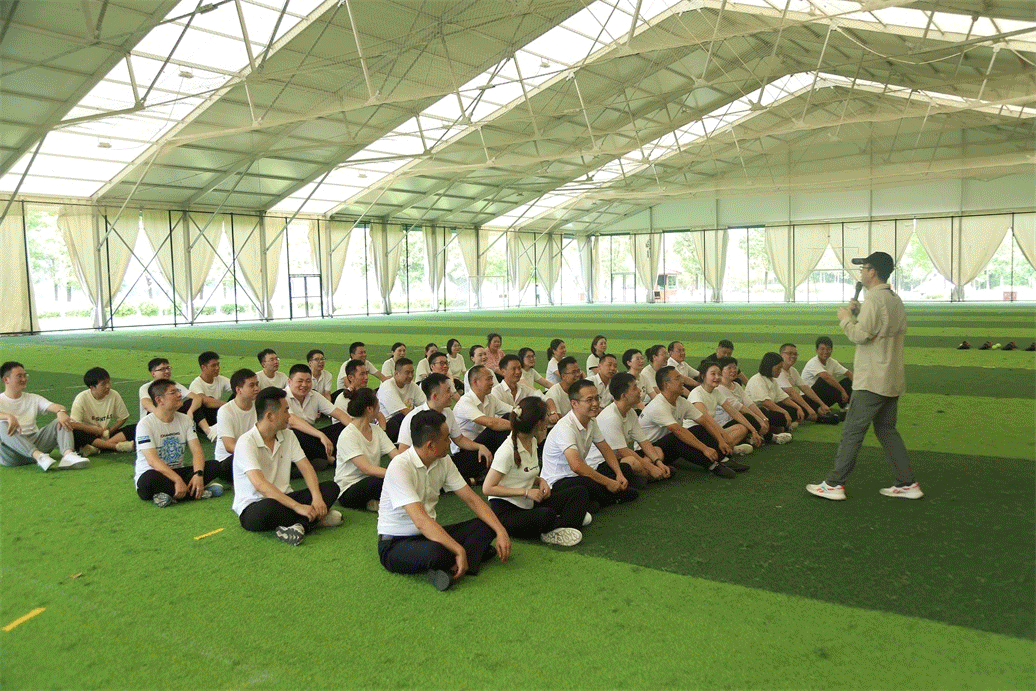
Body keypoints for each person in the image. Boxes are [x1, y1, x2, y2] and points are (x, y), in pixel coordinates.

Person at [808, 251, 922, 501]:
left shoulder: (874, 299)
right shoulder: (894, 299)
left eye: (863, 268)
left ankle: (834, 484)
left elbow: (860, 335)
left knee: (852, 432)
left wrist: (846, 320)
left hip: (872, 380)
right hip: (891, 378)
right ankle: (907, 483)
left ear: (872, 272)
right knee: (887, 430)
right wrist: (860, 313)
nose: (861, 272)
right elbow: (880, 328)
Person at [377, 409, 511, 591]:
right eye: (447, 438)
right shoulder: (400, 466)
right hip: (396, 543)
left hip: (429, 535)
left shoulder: (444, 461)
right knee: (436, 552)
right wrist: (459, 549)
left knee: (488, 524)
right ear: (430, 445)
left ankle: (451, 566)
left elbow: (472, 499)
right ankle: (465, 557)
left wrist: (501, 531)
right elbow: (420, 521)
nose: (450, 442)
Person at [232, 387, 343, 545]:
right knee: (268, 508)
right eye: (285, 411)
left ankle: (300, 525)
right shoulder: (246, 442)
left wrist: (317, 497)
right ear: (270, 416)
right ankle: (312, 519)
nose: (289, 416)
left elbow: (306, 467)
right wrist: (297, 507)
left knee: (331, 488)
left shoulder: (288, 435)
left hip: (285, 498)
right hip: (256, 506)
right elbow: (260, 485)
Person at [482, 397, 588, 547]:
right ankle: (561, 525)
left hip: (528, 503)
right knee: (546, 515)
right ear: (538, 423)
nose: (548, 418)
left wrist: (540, 481)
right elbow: (487, 488)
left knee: (579, 492)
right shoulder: (506, 451)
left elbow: (523, 472)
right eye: (546, 415)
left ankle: (561, 525)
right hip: (507, 512)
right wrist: (526, 492)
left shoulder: (532, 440)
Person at [540, 378, 639, 509]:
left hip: (579, 476)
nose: (595, 403)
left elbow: (606, 449)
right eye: (589, 400)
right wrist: (608, 482)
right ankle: (608, 497)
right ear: (574, 403)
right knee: (586, 484)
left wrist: (619, 473)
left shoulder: (591, 421)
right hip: (558, 482)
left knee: (624, 468)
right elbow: (576, 466)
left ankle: (597, 500)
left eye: (597, 398)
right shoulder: (565, 427)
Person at [133, 379, 224, 506]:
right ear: (159, 400)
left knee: (215, 466)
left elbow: (197, 451)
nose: (179, 395)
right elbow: (152, 461)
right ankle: (198, 493)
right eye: (173, 392)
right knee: (147, 479)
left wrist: (198, 474)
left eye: (178, 391)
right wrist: (177, 480)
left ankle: (169, 495)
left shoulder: (186, 420)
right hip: (156, 474)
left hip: (177, 471)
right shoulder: (145, 424)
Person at [639, 366, 737, 478]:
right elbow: (677, 430)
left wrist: (721, 440)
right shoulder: (658, 405)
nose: (683, 381)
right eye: (678, 378)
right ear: (667, 385)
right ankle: (712, 465)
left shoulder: (681, 401)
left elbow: (704, 421)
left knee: (698, 428)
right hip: (649, 452)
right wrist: (705, 449)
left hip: (667, 447)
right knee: (678, 436)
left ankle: (723, 459)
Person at [396, 373, 492, 486]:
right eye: (448, 391)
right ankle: (470, 480)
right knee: (431, 478)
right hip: (421, 467)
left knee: (479, 456)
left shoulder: (448, 413)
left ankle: (449, 480)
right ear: (435, 396)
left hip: (443, 461)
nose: (452, 394)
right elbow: (403, 451)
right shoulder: (413, 417)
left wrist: (479, 446)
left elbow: (459, 439)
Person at [0, 361, 89, 470]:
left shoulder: (33, 398)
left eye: (25, 375)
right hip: (12, 455)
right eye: (19, 376)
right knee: (2, 425)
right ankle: (39, 456)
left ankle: (68, 455)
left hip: (37, 444)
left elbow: (56, 406)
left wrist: (61, 412)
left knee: (61, 420)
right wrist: (8, 416)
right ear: (6, 379)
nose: (24, 379)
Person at [589, 372, 670, 483]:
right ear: (624, 396)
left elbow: (644, 441)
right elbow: (623, 452)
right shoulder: (611, 417)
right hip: (601, 464)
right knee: (632, 461)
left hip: (620, 458)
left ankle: (645, 475)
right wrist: (651, 467)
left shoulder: (630, 412)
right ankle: (649, 476)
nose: (639, 391)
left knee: (657, 451)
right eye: (635, 388)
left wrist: (658, 462)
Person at [335, 388, 398, 513]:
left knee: (392, 479)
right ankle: (381, 501)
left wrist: (409, 467)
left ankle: (376, 502)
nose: (379, 408)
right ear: (369, 409)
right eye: (377, 404)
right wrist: (396, 474)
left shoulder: (376, 430)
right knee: (380, 481)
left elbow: (396, 455)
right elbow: (366, 469)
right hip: (349, 490)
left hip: (371, 480)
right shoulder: (348, 435)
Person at [284, 364, 348, 471]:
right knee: (294, 433)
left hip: (312, 438)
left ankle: (321, 456)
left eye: (308, 381)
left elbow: (339, 414)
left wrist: (358, 430)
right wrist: (320, 435)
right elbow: (292, 421)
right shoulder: (282, 397)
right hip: (292, 441)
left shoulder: (314, 395)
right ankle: (330, 458)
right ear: (289, 382)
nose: (304, 385)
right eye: (300, 381)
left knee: (343, 427)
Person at [716, 357, 791, 444]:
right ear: (721, 371)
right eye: (729, 368)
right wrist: (759, 420)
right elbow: (740, 408)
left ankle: (756, 436)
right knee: (749, 417)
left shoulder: (736, 385)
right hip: (725, 423)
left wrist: (764, 418)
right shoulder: (719, 388)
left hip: (739, 418)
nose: (733, 370)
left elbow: (749, 403)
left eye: (735, 367)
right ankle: (772, 437)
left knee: (762, 411)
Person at [688, 362, 756, 455]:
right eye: (713, 374)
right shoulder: (696, 393)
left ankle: (725, 449)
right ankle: (724, 449)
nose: (717, 377)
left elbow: (734, 412)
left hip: (710, 430)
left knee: (742, 428)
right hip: (696, 432)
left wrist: (753, 430)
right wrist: (724, 436)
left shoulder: (716, 392)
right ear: (703, 376)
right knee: (722, 435)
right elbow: (707, 419)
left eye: (719, 374)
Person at [69, 366, 135, 456]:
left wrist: (110, 431)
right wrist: (95, 430)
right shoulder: (81, 398)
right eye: (103, 384)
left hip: (104, 435)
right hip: (88, 435)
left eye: (108, 382)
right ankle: (116, 447)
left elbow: (123, 417)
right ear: (92, 387)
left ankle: (96, 448)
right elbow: (75, 424)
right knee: (75, 433)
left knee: (135, 428)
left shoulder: (114, 395)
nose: (108, 386)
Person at [137, 358, 206, 435]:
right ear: (153, 373)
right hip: (155, 419)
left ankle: (208, 431)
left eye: (168, 368)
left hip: (172, 417)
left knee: (190, 403)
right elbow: (147, 404)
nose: (167, 371)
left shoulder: (174, 385)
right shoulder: (146, 388)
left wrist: (190, 411)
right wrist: (163, 414)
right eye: (162, 369)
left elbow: (197, 398)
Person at [455, 365, 512, 455]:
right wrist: (519, 426)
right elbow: (491, 423)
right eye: (488, 379)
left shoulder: (490, 398)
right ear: (475, 382)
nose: (492, 383)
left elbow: (512, 410)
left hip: (483, 444)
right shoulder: (465, 402)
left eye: (492, 379)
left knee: (511, 416)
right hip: (467, 450)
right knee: (502, 427)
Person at [214, 368, 260, 482]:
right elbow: (230, 447)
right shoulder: (225, 411)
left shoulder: (259, 406)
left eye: (257, 384)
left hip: (252, 454)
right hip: (228, 460)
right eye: (252, 385)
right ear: (238, 389)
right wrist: (255, 454)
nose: (256, 388)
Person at [777, 343, 837, 423]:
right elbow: (791, 392)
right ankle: (819, 418)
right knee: (794, 408)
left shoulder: (793, 370)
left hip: (790, 401)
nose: (793, 356)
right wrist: (809, 408)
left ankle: (820, 413)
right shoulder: (778, 371)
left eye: (795, 354)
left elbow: (805, 388)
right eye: (789, 353)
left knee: (810, 399)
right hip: (778, 403)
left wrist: (822, 404)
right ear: (781, 355)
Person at [746, 352, 802, 430]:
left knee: (793, 409)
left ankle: (778, 428)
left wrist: (798, 407)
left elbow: (784, 398)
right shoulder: (757, 380)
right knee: (776, 415)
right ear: (769, 367)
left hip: (769, 409)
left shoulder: (773, 380)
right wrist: (784, 412)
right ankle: (775, 428)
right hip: (758, 412)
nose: (780, 371)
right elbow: (766, 403)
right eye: (778, 368)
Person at [377, 358, 425, 443]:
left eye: (412, 372)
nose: (411, 376)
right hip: (387, 426)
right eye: (407, 373)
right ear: (396, 374)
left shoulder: (412, 386)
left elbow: (425, 404)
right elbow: (403, 411)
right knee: (403, 417)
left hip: (405, 421)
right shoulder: (387, 386)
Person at [188, 351, 231, 440]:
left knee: (240, 391)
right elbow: (206, 402)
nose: (217, 368)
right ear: (203, 367)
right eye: (213, 365)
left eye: (218, 364)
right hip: (205, 418)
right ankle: (209, 432)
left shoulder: (220, 379)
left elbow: (238, 387)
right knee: (193, 402)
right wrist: (229, 405)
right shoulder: (196, 384)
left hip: (218, 414)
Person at [801, 336, 853, 409]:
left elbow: (848, 373)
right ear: (817, 350)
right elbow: (826, 377)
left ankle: (846, 406)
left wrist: (860, 387)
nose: (825, 352)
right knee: (824, 381)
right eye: (822, 349)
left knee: (848, 381)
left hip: (823, 397)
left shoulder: (832, 362)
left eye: (828, 349)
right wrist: (843, 391)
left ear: (831, 350)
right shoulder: (813, 363)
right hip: (809, 399)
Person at [333, 359, 388, 428]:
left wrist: (382, 431)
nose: (366, 377)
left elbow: (380, 416)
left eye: (366, 373)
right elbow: (357, 426)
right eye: (362, 374)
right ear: (350, 377)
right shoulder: (343, 399)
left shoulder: (367, 394)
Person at [545, 356, 582, 424]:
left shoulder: (580, 389)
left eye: (578, 371)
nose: (577, 375)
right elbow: (558, 420)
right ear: (563, 376)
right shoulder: (554, 392)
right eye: (573, 372)